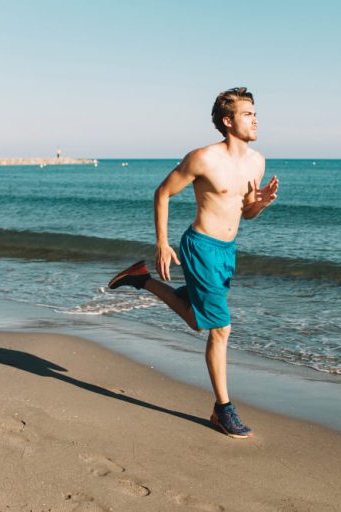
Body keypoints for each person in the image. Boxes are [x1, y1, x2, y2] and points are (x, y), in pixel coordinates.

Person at [108, 87, 278, 439]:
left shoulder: (257, 161)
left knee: (200, 321)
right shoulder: (203, 158)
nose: (255, 118)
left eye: (255, 112)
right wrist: (162, 243)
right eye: (248, 114)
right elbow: (163, 192)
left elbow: (245, 213)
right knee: (221, 328)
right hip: (199, 246)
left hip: (226, 252)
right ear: (228, 121)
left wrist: (259, 203)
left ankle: (141, 279)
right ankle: (223, 409)